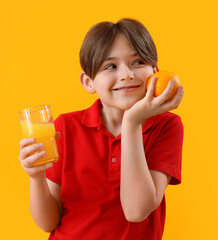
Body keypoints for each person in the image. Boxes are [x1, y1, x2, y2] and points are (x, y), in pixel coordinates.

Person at [18, 18, 184, 240]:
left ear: (155, 70)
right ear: (88, 82)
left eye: (138, 62)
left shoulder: (166, 126)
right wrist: (36, 177)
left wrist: (132, 122)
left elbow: (136, 211)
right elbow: (48, 222)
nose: (127, 74)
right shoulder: (64, 127)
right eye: (111, 66)